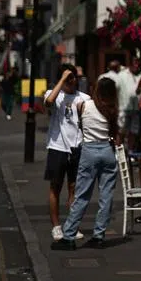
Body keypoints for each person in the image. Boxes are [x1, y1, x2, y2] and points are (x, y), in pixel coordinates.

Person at [52, 77, 120, 250]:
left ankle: (69, 236)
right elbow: (116, 135)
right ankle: (99, 236)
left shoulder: (83, 105)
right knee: (106, 196)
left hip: (89, 150)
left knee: (82, 195)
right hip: (107, 150)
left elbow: (79, 124)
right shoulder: (112, 110)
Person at [44, 64, 91, 242]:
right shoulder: (54, 95)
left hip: (77, 147)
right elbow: (48, 103)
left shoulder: (84, 98)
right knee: (55, 187)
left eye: (74, 77)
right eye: (68, 78)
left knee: (74, 188)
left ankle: (72, 226)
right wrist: (62, 80)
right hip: (57, 147)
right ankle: (56, 227)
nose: (72, 81)